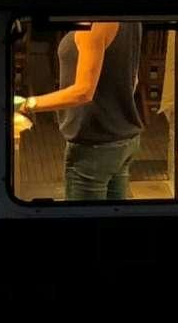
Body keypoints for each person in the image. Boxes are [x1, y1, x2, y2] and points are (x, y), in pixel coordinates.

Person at [15, 20, 146, 200]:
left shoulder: (94, 24)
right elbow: (133, 79)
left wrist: (27, 104)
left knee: (83, 216)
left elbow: (83, 92)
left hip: (95, 144)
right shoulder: (131, 19)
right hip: (123, 138)